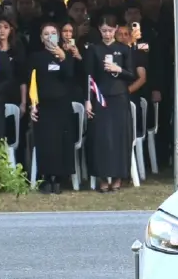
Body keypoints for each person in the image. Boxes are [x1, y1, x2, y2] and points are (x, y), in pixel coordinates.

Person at [84, 15, 136, 193]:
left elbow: (132, 74)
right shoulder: (93, 49)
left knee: (119, 138)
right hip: (100, 98)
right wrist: (88, 101)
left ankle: (118, 176)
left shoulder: (124, 49)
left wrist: (118, 69)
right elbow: (89, 77)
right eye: (104, 30)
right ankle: (102, 177)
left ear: (116, 30)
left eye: (110, 30)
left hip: (119, 96)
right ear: (99, 30)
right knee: (101, 138)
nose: (107, 34)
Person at [29, 22, 77, 193]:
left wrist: (63, 58)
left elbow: (70, 76)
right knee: (46, 142)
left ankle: (59, 179)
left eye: (53, 33)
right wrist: (33, 105)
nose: (50, 37)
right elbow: (32, 82)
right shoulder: (36, 57)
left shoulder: (67, 56)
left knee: (61, 142)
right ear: (42, 38)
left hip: (62, 104)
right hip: (44, 105)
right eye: (46, 34)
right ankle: (46, 177)